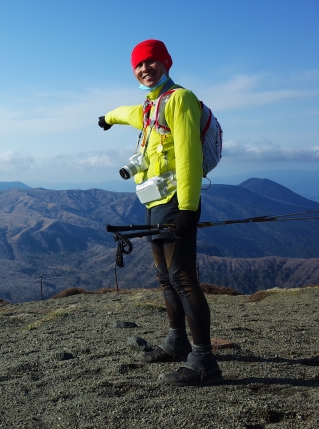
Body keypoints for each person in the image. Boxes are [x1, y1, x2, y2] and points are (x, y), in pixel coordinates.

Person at [98, 39, 223, 386]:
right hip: (153, 201)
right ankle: (177, 341)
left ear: (166, 63)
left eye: (151, 62)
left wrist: (188, 208)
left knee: (182, 277)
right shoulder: (151, 106)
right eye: (139, 65)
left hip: (175, 202)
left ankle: (204, 362)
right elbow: (126, 112)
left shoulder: (179, 99)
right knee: (165, 277)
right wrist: (107, 118)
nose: (145, 68)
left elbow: (188, 154)